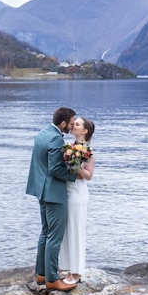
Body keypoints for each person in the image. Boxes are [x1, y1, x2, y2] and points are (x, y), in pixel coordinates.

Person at [25, 105, 81, 293]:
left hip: (40, 190)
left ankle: (41, 273)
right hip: (54, 193)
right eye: (71, 124)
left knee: (45, 233)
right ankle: (52, 279)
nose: (72, 127)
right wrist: (74, 175)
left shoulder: (43, 133)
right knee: (55, 237)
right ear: (63, 123)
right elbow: (55, 169)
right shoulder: (56, 139)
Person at [56, 116, 96, 282]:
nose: (73, 125)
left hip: (78, 193)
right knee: (65, 231)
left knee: (76, 231)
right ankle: (66, 267)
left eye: (77, 124)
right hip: (65, 190)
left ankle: (77, 272)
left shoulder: (88, 150)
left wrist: (77, 167)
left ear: (84, 130)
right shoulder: (69, 147)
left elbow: (88, 176)